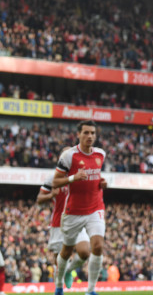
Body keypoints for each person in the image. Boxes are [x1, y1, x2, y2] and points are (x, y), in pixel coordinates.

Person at [52, 120, 107, 295]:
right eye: (86, 133)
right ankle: (59, 285)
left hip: (95, 208)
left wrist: (102, 183)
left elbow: (95, 176)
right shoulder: (69, 156)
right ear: (78, 134)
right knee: (67, 250)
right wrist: (73, 178)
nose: (90, 136)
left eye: (92, 133)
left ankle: (90, 290)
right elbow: (55, 182)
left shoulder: (101, 154)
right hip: (73, 211)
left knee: (97, 246)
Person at [37, 146, 91, 289]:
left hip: (77, 219)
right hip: (58, 223)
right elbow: (39, 199)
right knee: (58, 260)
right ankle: (59, 288)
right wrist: (51, 195)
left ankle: (69, 270)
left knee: (85, 252)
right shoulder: (53, 178)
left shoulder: (82, 175)